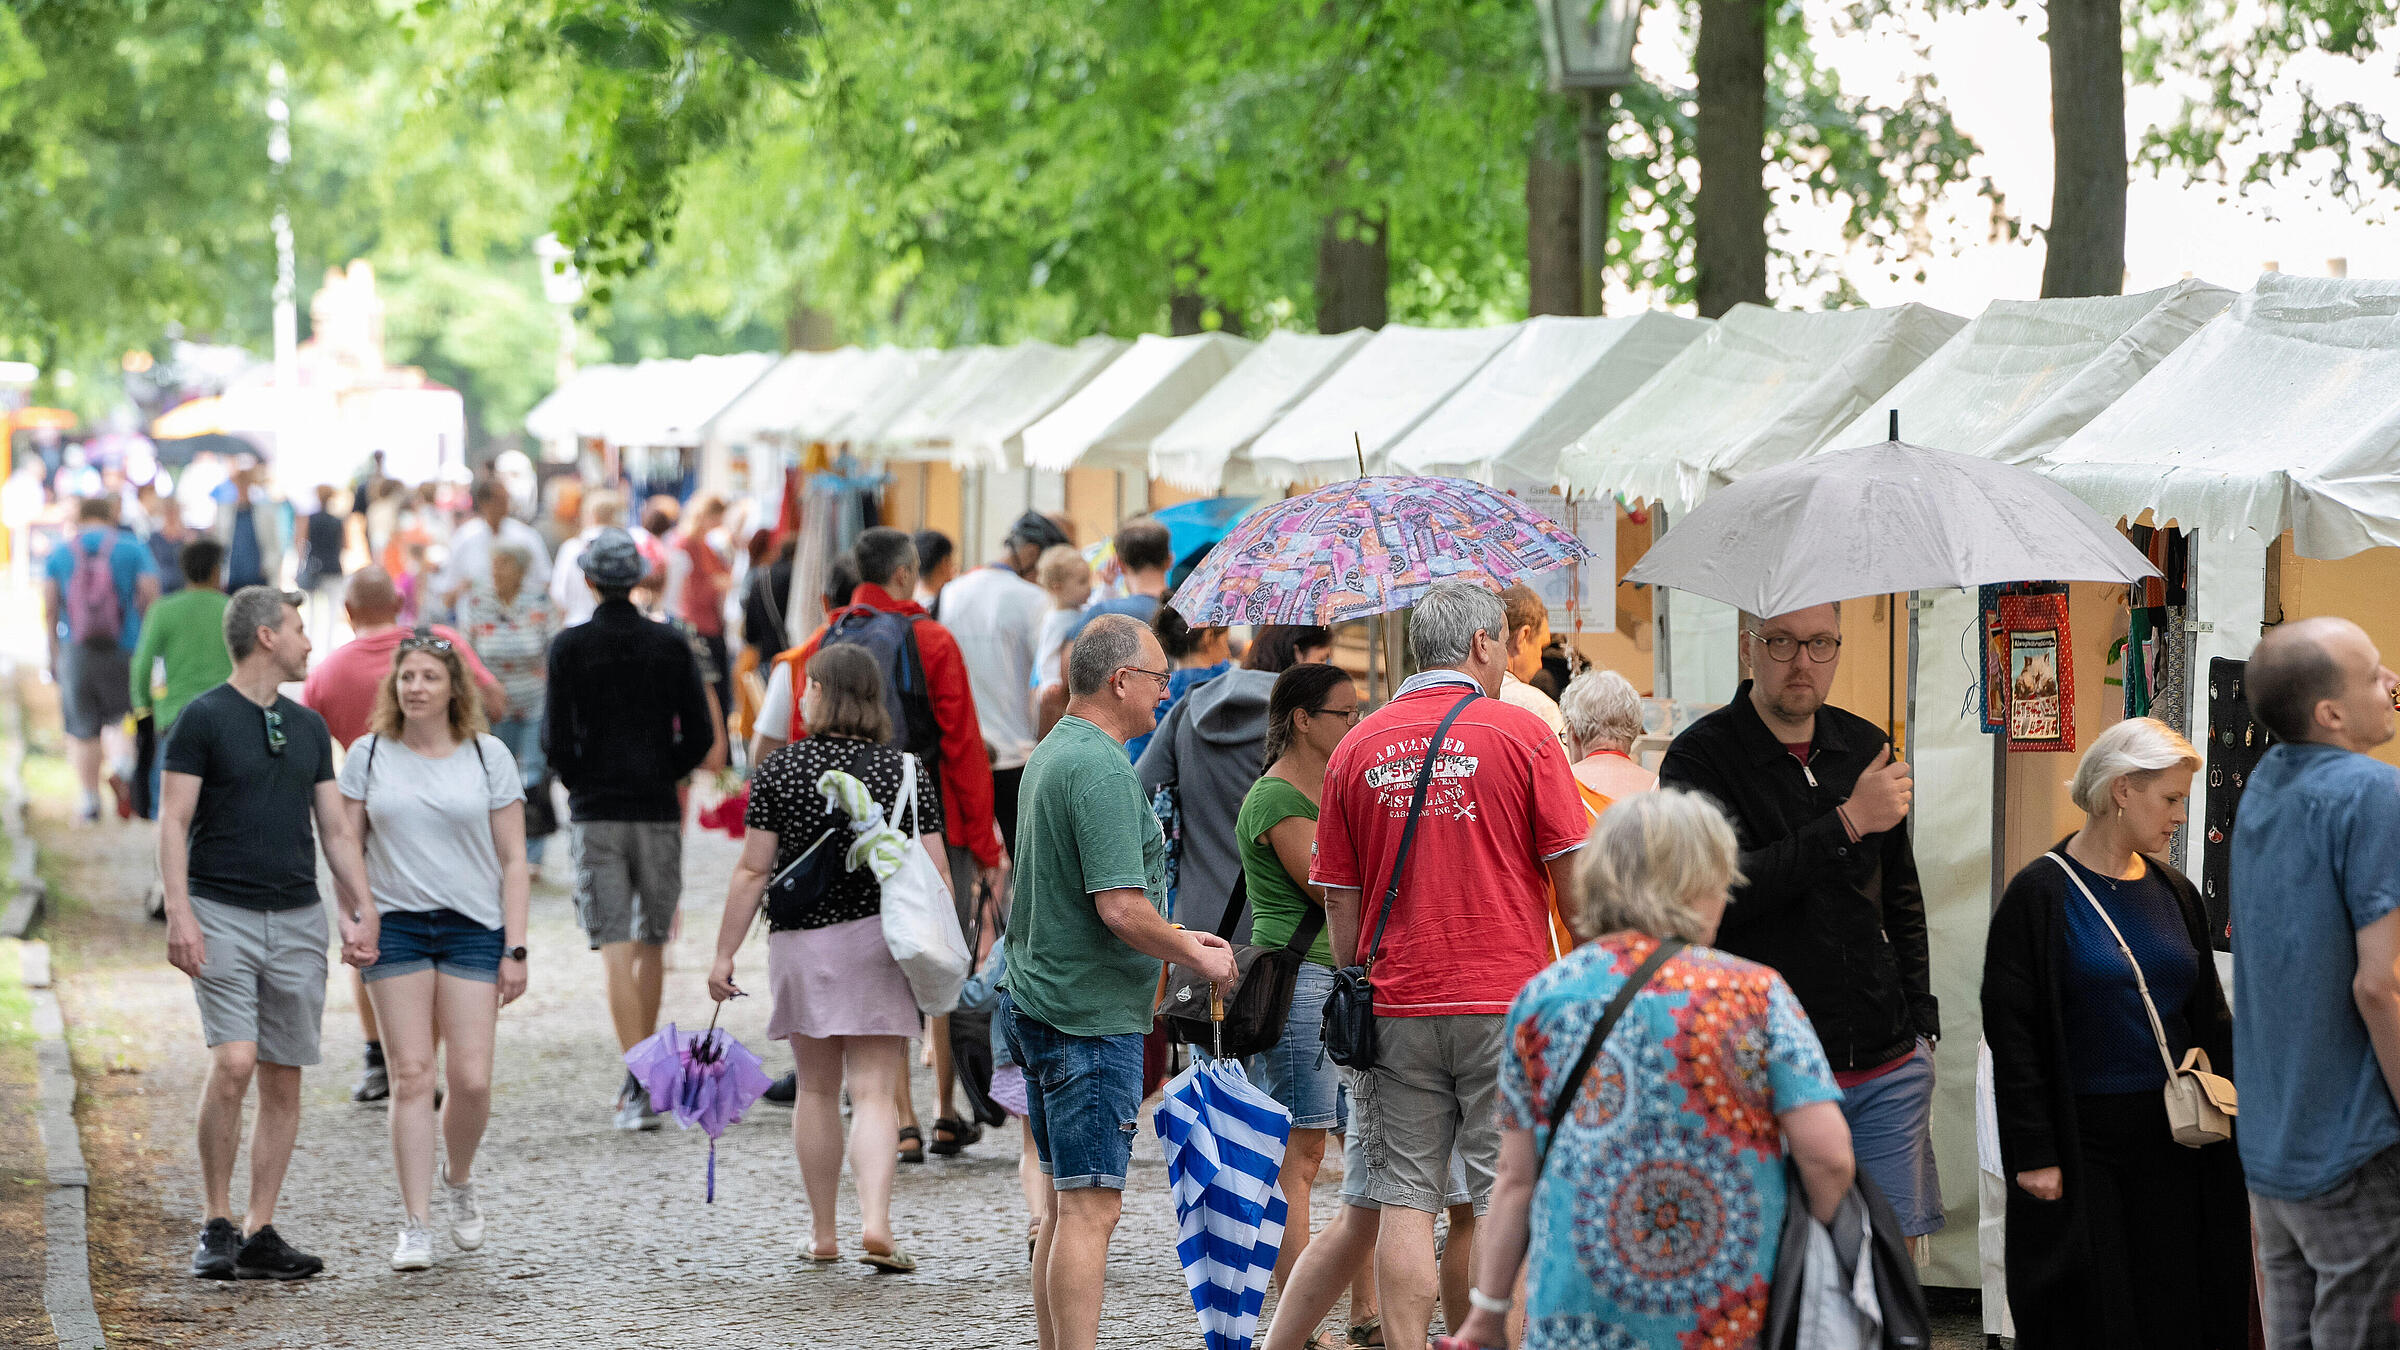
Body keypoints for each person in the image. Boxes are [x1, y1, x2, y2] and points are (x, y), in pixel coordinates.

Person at [1444, 789, 1857, 1350]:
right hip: (1729, 1313)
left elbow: (1516, 1178)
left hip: (1576, 1313)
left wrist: (1489, 1312)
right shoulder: (1755, 994)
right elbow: (1828, 1156)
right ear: (1701, 883)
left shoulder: (1545, 997)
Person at [1310, 581, 1589, 1348]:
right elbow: (1576, 885)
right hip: (1508, 1000)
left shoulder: (1355, 747)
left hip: (1396, 1001)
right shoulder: (1524, 736)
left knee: (1405, 1197)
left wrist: (1358, 975)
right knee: (1506, 1194)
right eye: (1502, 642)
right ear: (1479, 645)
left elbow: (1338, 898)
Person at [1657, 602, 1944, 1243]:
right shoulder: (1699, 760)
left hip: (1881, 1059)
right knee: (1770, 1264)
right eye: (1782, 643)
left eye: (1821, 644)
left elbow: (1900, 895)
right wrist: (1844, 824)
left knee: (1879, 1268)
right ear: (1747, 646)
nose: (1803, 662)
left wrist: (1923, 1026)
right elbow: (1714, 895)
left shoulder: (1865, 747)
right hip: (1753, 1062)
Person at [1000, 613, 1238, 1350]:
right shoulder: (1100, 766)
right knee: (1090, 1210)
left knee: (1067, 1205)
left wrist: (1175, 936)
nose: (1167, 693)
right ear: (1120, 680)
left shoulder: (1054, 750)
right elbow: (1120, 907)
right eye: (1161, 679)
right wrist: (1195, 956)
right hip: (1086, 1016)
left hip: (1045, 1000)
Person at [1983, 717, 2247, 1349]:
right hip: (2083, 1145)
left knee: (2174, 1303)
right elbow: (2012, 1034)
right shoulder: (2040, 895)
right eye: (2171, 799)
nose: (2181, 816)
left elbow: (2207, 1011)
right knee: (2095, 1311)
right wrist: (2035, 1152)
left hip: (2176, 1138)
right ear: (2123, 789)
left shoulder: (2173, 891)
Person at [757, 528, 1005, 1155]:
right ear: (904, 574)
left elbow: (801, 741)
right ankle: (945, 1107)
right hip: (925, 821)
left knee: (884, 966)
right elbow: (961, 746)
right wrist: (982, 843)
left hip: (849, 831)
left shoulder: (824, 644)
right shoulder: (932, 638)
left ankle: (902, 1121)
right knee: (936, 951)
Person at [707, 644, 947, 1272]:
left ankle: (823, 1233)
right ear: (872, 699)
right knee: (873, 1093)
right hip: (881, 943)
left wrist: (723, 954)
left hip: (801, 944)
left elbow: (752, 869)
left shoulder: (782, 769)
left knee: (815, 1089)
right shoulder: (906, 771)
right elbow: (935, 871)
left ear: (814, 690)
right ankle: (877, 1223)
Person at [159, 586, 376, 1282]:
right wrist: (179, 913)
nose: (309, 642)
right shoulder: (201, 719)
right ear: (265, 638)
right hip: (220, 910)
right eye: (299, 629)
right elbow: (172, 822)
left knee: (284, 1073)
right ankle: (215, 1222)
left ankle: (260, 1229)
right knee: (235, 1062)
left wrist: (360, 906)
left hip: (296, 917)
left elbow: (336, 830)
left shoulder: (308, 726)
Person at [2229, 616, 2400, 1344]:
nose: (2393, 683)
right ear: (2330, 713)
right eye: (2374, 675)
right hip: (2351, 1141)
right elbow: (2379, 985)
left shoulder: (2265, 783)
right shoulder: (2371, 791)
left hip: (2273, 1140)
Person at [339, 634, 529, 1272]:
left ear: (454, 687)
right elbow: (345, 848)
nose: (415, 687)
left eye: (428, 677)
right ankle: (414, 1222)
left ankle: (459, 1177)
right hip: (398, 928)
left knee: (471, 1080)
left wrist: (517, 946)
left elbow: (513, 861)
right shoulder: (367, 757)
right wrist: (357, 913)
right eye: (406, 677)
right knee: (412, 1075)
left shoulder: (486, 755)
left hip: (474, 926)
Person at [301, 567, 509, 1101]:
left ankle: (379, 1054)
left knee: (369, 926)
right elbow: (499, 704)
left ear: (347, 612)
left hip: (372, 820)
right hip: (446, 817)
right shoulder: (444, 645)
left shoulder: (327, 673)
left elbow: (305, 746)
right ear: (400, 603)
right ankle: (416, 1063)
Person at [542, 527, 716, 1129]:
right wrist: (665, 772)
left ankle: (637, 1079)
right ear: (639, 578)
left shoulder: (568, 648)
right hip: (656, 807)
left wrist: (579, 779)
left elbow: (553, 739)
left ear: (588, 581)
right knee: (652, 941)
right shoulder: (669, 644)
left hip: (597, 809)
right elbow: (698, 732)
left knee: (614, 942)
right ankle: (643, 1077)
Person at [1232, 665, 1363, 1309]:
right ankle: (1300, 1316)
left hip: (1344, 980)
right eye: (1343, 713)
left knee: (1367, 1161)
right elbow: (1330, 884)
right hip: (1303, 983)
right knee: (1303, 1159)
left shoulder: (1342, 782)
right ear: (1304, 720)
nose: (1355, 723)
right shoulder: (1276, 798)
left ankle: (1365, 1310)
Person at [1135, 614, 1317, 936]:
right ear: (1299, 655)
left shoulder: (1190, 708)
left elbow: (1139, 785)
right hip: (1280, 923)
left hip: (1197, 920)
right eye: (1324, 659)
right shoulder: (1304, 726)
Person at [932, 524, 1054, 857]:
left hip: (959, 749)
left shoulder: (950, 591)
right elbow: (1050, 684)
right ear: (1031, 552)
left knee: (963, 861)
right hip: (1017, 753)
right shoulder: (1035, 599)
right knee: (1024, 863)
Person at [46, 495, 160, 822]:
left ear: (80, 516)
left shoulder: (62, 551)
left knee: (83, 727)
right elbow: (150, 595)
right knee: (122, 717)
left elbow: (51, 605)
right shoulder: (131, 547)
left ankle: (89, 800)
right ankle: (123, 767)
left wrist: (54, 650)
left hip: (77, 650)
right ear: (110, 516)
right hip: (125, 647)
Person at [455, 542, 560, 878]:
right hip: (490, 702)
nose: (497, 571)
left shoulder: (538, 602)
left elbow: (552, 646)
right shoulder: (477, 600)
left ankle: (532, 853)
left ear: (520, 569)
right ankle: (496, 850)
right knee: (494, 773)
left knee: (532, 773)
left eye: (504, 565)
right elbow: (466, 652)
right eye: (494, 564)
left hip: (533, 701)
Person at [129, 540, 233, 818]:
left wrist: (144, 705)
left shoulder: (163, 609)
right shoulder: (232, 609)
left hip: (174, 712)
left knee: (169, 794)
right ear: (215, 571)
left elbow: (142, 665)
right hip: (226, 714)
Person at [1126, 606, 1230, 763]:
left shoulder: (1156, 693)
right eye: (1225, 641)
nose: (1228, 651)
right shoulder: (1228, 683)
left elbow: (1136, 757)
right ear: (1208, 638)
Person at [674, 493, 738, 722]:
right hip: (699, 625)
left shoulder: (701, 543)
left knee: (717, 696)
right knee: (711, 696)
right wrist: (719, 583)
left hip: (708, 623)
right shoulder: (689, 543)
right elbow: (693, 590)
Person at [1031, 544, 1093, 740]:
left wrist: (1108, 585)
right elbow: (1047, 654)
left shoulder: (1079, 610)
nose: (1089, 587)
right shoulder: (1054, 620)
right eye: (1082, 582)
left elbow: (1101, 605)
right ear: (1058, 587)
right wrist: (1050, 680)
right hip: (1063, 688)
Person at [1494, 583, 1566, 747]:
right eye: (1541, 647)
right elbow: (1560, 772)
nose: (1540, 664)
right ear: (1522, 637)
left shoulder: (1459, 697)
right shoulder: (1538, 708)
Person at [550, 488, 627, 627]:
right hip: (616, 629)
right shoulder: (624, 548)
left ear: (590, 515)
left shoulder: (570, 548)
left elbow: (558, 594)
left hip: (575, 626)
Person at [211, 462, 284, 591]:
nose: (242, 488)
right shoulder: (225, 513)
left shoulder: (263, 512)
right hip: (232, 578)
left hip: (257, 577)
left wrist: (269, 568)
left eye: (245, 484)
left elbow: (274, 544)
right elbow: (219, 541)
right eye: (239, 484)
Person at [298, 485, 348, 641]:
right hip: (333, 567)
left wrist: (301, 565)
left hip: (314, 568)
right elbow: (345, 544)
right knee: (332, 612)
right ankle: (328, 644)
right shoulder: (338, 521)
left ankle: (311, 642)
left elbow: (301, 542)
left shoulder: (310, 519)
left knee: (311, 611)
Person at [742, 532, 799, 666]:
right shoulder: (797, 576)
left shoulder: (761, 580)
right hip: (797, 654)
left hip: (770, 658)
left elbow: (750, 633)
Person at [912, 528, 957, 614]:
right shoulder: (948, 609)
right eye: (951, 561)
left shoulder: (902, 606)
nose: (954, 568)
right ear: (944, 563)